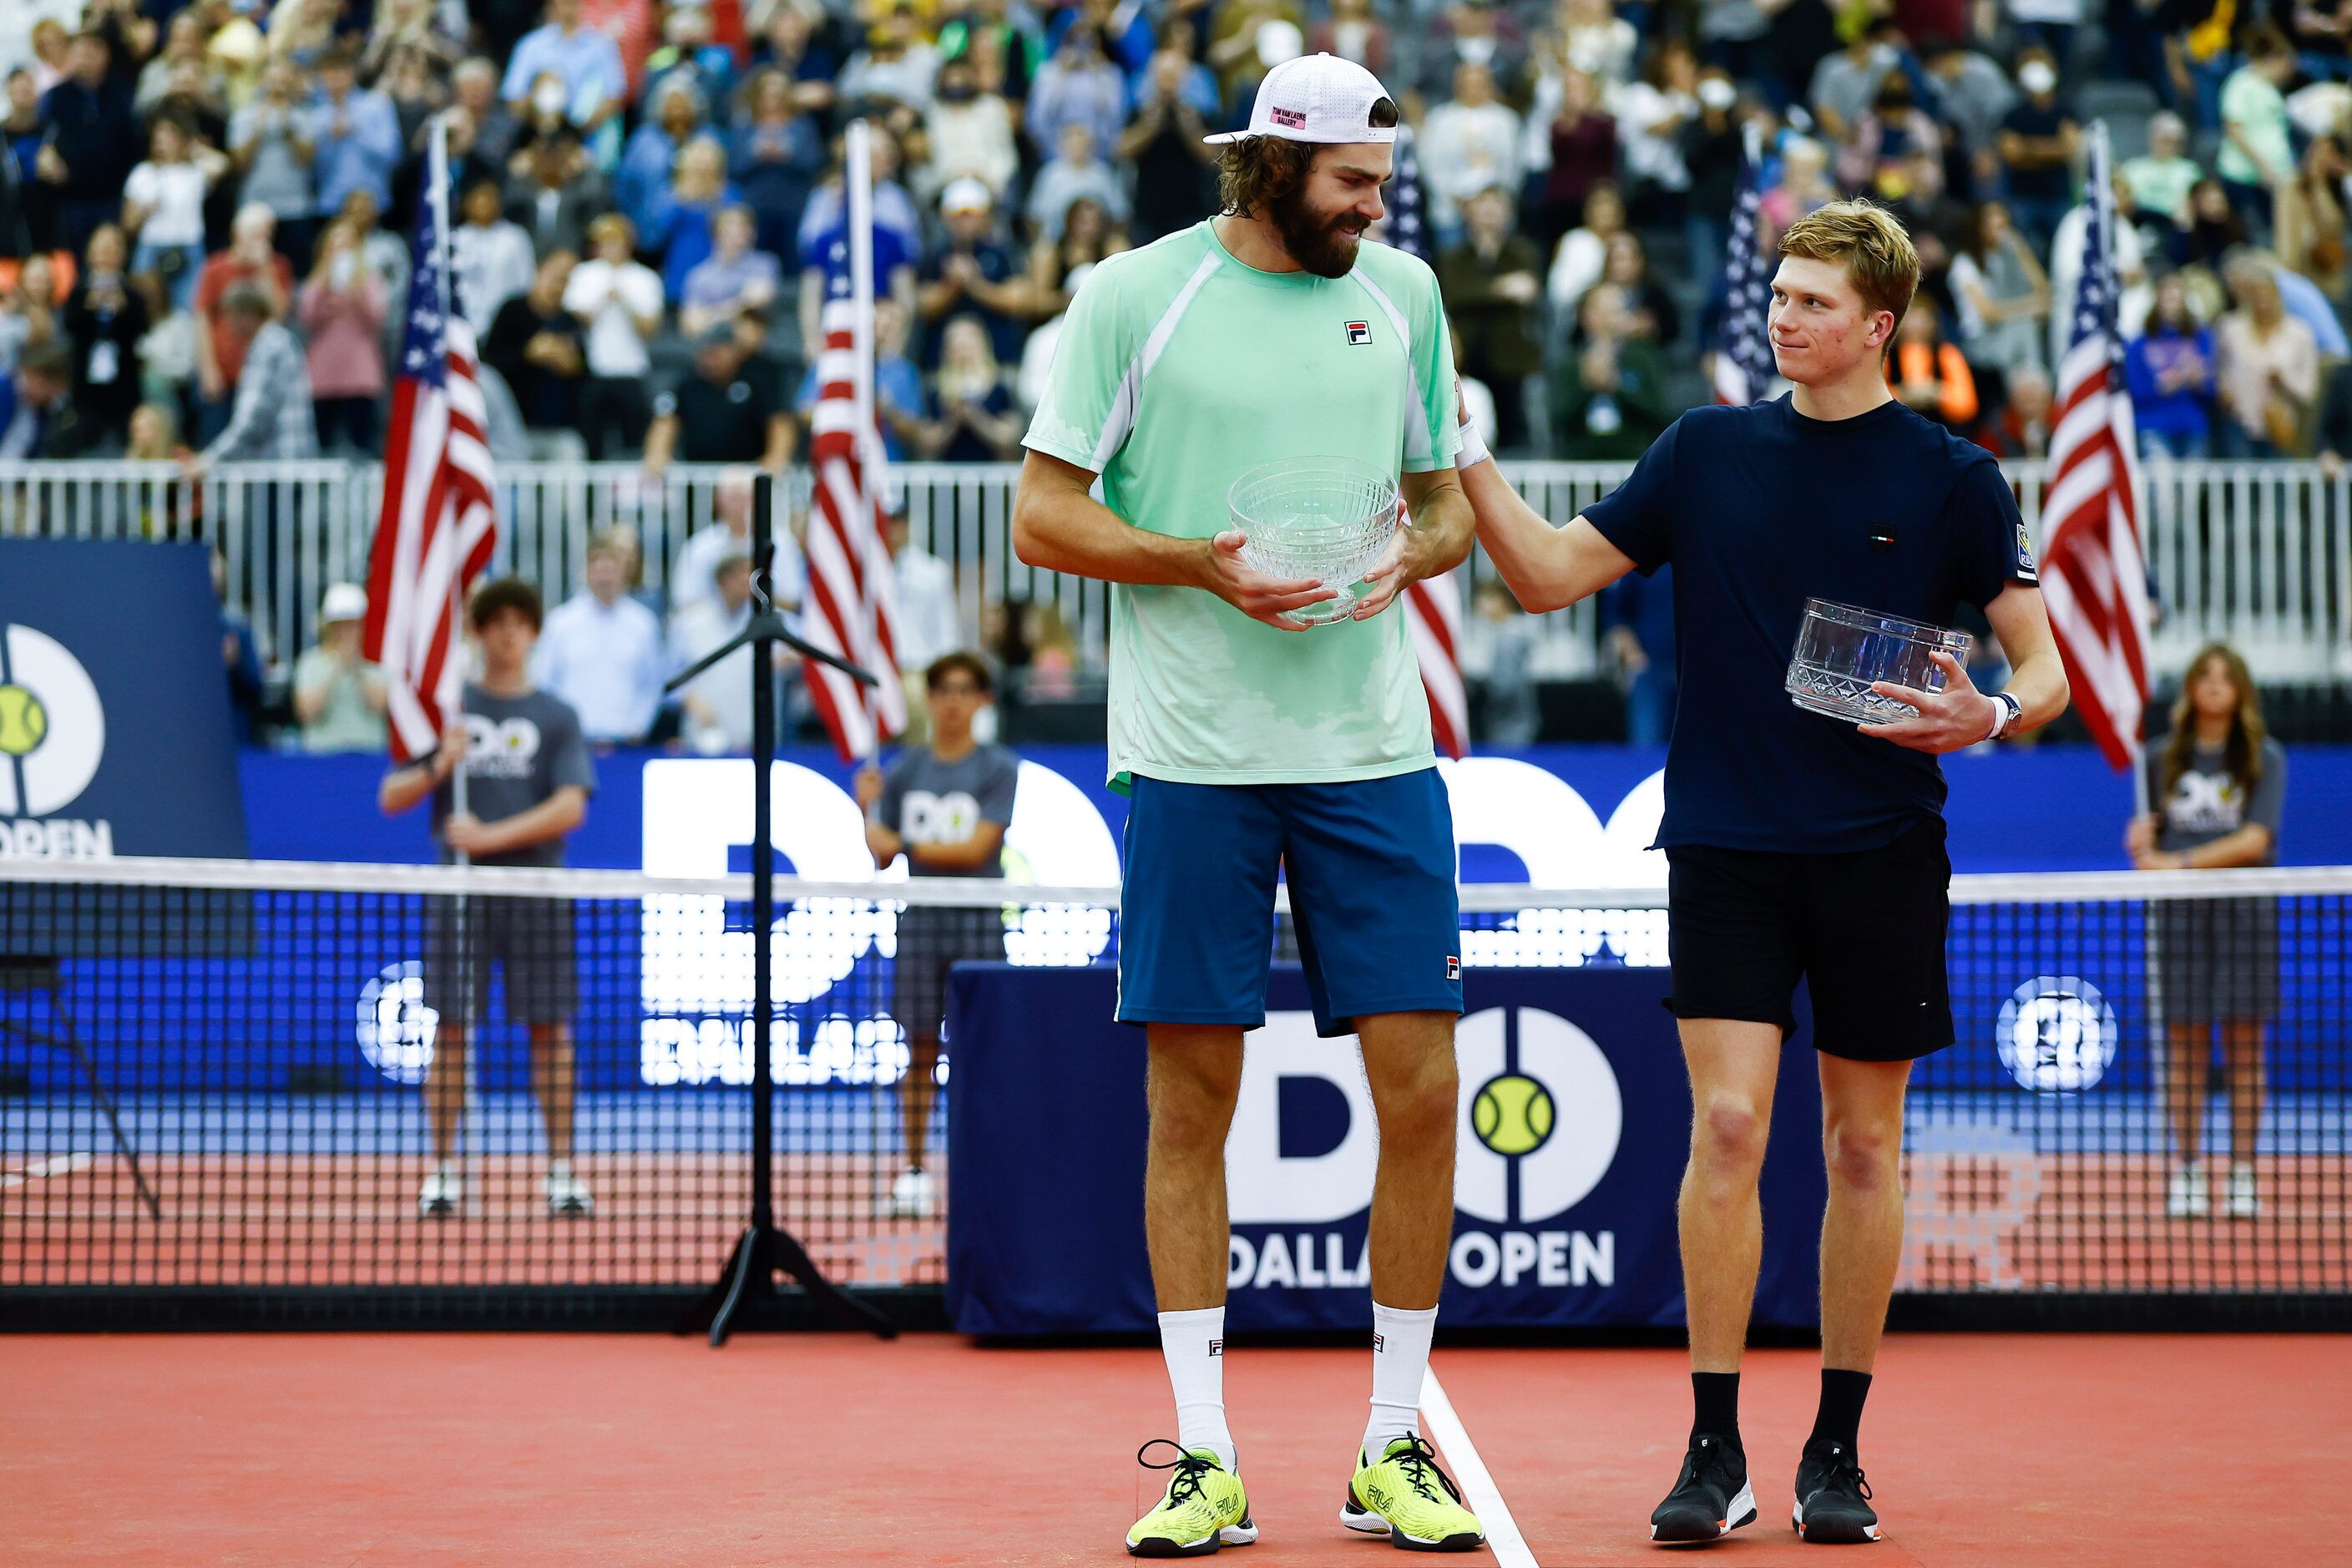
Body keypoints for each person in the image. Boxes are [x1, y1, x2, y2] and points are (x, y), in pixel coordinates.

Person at [1455, 199, 2068, 1548]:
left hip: (1881, 849)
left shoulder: (1955, 477)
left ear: (1879, 327)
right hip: (1725, 841)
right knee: (1728, 1130)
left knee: (1861, 1143)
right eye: (1777, 295)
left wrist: (1993, 712)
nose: (1781, 316)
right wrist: (1467, 456)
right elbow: (1551, 574)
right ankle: (1713, 1442)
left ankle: (1835, 1447)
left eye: (1809, 301)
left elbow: (2040, 661)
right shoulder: (1701, 449)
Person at [1011, 52, 1485, 1557]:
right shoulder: (1128, 296)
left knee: (1423, 1095)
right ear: (1272, 164)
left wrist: (1400, 560)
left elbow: (1451, 501)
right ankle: (1202, 1457)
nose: (1373, 204)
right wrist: (1203, 561)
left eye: (1381, 183)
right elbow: (1042, 513)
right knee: (1187, 1108)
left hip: (1374, 752)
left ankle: (1392, 1443)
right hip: (1193, 754)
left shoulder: (1400, 291)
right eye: (1352, 181)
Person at [378, 577, 597, 1220]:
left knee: (550, 1031)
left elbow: (570, 807)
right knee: (449, 1031)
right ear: (476, 632)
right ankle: (444, 1171)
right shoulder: (447, 711)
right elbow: (391, 796)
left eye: (518, 622)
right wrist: (437, 766)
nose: (506, 633)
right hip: (459, 892)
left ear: (533, 632)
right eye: (494, 621)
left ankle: (561, 1171)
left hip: (535, 890)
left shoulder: (556, 715)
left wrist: (491, 835)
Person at [854, 651, 1019, 1220]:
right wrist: (866, 810)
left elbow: (976, 849)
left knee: (982, 1054)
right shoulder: (903, 771)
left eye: (963, 690)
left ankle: (986, 1168)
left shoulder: (998, 768)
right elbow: (878, 855)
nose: (951, 701)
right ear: (929, 699)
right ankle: (916, 1170)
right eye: (942, 690)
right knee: (918, 1050)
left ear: (981, 701)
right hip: (920, 924)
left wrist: (900, 842)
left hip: (977, 925)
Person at [2128, 643, 2286, 1222]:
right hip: (2180, 919)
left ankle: (2242, 1173)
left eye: (2226, 677)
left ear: (2240, 690)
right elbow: (2151, 842)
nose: (2214, 685)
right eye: (2204, 676)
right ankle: (2188, 1171)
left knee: (2244, 1048)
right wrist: (2143, 844)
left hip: (2245, 915)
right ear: (2192, 688)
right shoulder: (2158, 759)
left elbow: (2255, 840)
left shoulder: (2263, 758)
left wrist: (2178, 863)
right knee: (2185, 1049)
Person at [531, 531, 670, 744]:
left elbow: (652, 685)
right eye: (598, 568)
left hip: (627, 743)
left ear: (624, 571)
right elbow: (544, 680)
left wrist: (638, 727)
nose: (605, 576)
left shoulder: (643, 624)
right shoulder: (561, 622)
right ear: (586, 571)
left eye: (611, 568)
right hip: (571, 740)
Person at [563, 213, 661, 458]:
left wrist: (624, 299)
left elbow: (649, 329)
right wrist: (603, 298)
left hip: (632, 369)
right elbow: (574, 319)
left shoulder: (645, 278)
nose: (610, 247)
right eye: (604, 241)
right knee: (591, 441)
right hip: (595, 370)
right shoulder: (583, 274)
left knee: (635, 441)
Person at [190, 283, 316, 466]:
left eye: (230, 315)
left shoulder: (268, 347)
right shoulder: (277, 340)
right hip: (286, 465)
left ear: (248, 315)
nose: (227, 324)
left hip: (280, 467)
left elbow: (251, 421)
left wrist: (208, 460)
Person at [642, 323, 793, 475]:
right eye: (706, 352)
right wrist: (657, 453)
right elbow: (666, 422)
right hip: (699, 479)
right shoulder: (689, 385)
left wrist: (776, 458)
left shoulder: (757, 381)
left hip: (744, 479)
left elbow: (779, 422)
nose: (710, 359)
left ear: (734, 352)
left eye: (717, 353)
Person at [296, 217, 387, 455]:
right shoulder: (316, 281)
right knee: (322, 441)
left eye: (347, 245)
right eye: (335, 245)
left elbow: (376, 318)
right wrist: (325, 281)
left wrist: (357, 290)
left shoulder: (369, 278)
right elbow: (307, 316)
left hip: (359, 370)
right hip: (323, 371)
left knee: (363, 441)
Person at [483, 248, 586, 455]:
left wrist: (573, 366)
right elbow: (489, 365)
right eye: (555, 275)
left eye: (566, 279)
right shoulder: (512, 310)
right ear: (539, 270)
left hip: (560, 429)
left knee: (572, 454)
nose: (559, 284)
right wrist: (528, 354)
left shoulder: (571, 322)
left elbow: (585, 375)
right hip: (515, 427)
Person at [2215, 253, 2319, 457]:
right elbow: (2219, 368)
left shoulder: (2299, 333)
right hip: (2240, 422)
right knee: (2241, 482)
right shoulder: (2231, 329)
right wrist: (2224, 388)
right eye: (2256, 294)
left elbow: (2308, 390)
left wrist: (2283, 381)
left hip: (2280, 424)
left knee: (2278, 483)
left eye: (2267, 294)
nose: (2263, 302)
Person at [2127, 272, 2217, 458]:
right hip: (2154, 424)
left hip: (2192, 425)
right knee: (2162, 483)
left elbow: (2212, 388)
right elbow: (2132, 389)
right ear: (2156, 301)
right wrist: (2160, 386)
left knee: (2191, 485)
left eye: (2177, 298)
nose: (2172, 305)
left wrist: (2199, 382)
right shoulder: (2139, 344)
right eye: (2167, 298)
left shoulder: (2202, 339)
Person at [292, 582, 387, 753]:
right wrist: (336, 666)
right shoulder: (311, 662)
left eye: (352, 625)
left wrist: (357, 665)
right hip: (323, 756)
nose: (345, 632)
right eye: (339, 625)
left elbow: (380, 705)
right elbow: (307, 711)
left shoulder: (377, 660)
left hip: (368, 753)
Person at [923, 315, 1023, 460]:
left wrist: (976, 418)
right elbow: (926, 441)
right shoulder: (935, 389)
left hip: (991, 475)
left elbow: (1010, 437)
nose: (964, 350)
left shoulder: (1001, 387)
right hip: (947, 475)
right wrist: (953, 421)